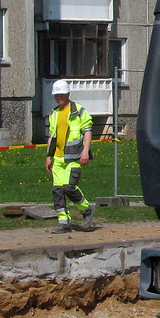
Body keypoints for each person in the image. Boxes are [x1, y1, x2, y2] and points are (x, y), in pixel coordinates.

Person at [45, 79, 95, 233]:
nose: (58, 97)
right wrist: (48, 156)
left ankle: (87, 210)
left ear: (67, 93)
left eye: (61, 94)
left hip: (74, 157)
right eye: (56, 95)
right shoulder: (54, 113)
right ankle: (64, 223)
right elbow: (51, 136)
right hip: (58, 158)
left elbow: (87, 131)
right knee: (57, 190)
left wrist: (86, 151)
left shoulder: (79, 111)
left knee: (69, 187)